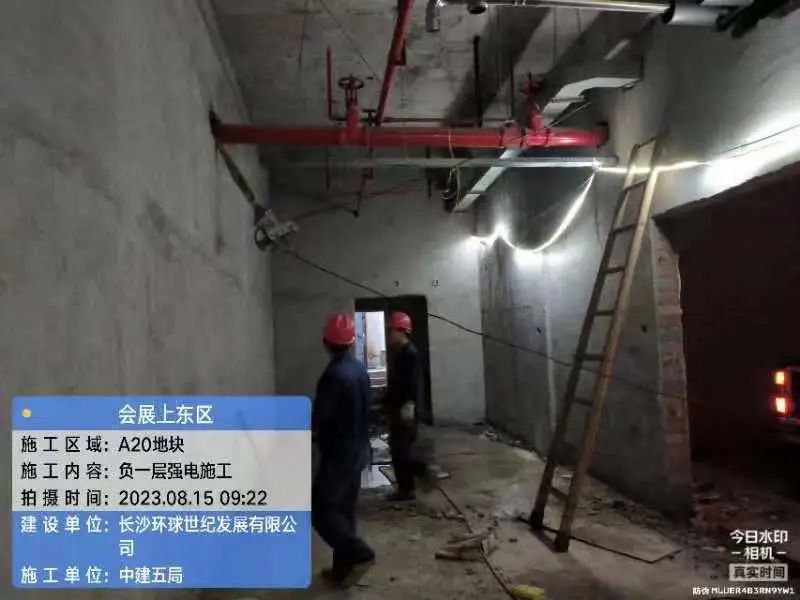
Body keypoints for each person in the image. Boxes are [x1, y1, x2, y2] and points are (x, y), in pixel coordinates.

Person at [311, 312, 375, 585]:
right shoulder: (359, 369)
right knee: (344, 512)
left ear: (326, 342)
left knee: (320, 508)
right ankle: (342, 571)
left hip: (339, 456)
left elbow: (320, 418)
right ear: (350, 342)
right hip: (359, 452)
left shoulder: (333, 375)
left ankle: (359, 553)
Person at [383, 311, 428, 501]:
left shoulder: (410, 354)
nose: (389, 334)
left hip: (405, 410)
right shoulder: (401, 353)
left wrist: (409, 406)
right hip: (399, 408)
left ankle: (407, 488)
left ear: (401, 331)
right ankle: (409, 481)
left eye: (391, 331)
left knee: (401, 449)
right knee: (399, 448)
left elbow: (412, 383)